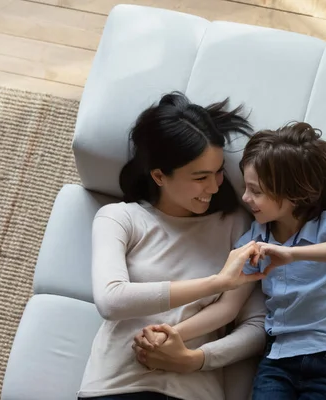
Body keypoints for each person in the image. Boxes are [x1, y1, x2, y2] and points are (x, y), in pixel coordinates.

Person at [136, 121, 326, 399]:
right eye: (246, 188)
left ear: (294, 193)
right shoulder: (254, 240)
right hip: (278, 358)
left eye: (256, 191)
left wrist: (291, 254)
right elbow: (227, 308)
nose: (246, 198)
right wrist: (170, 334)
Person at [77, 92, 268, 400]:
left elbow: (258, 326)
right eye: (200, 177)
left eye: (219, 171)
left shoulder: (236, 225)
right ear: (159, 176)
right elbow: (111, 300)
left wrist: (195, 359)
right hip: (117, 386)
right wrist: (217, 282)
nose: (215, 185)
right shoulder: (120, 218)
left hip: (193, 391)